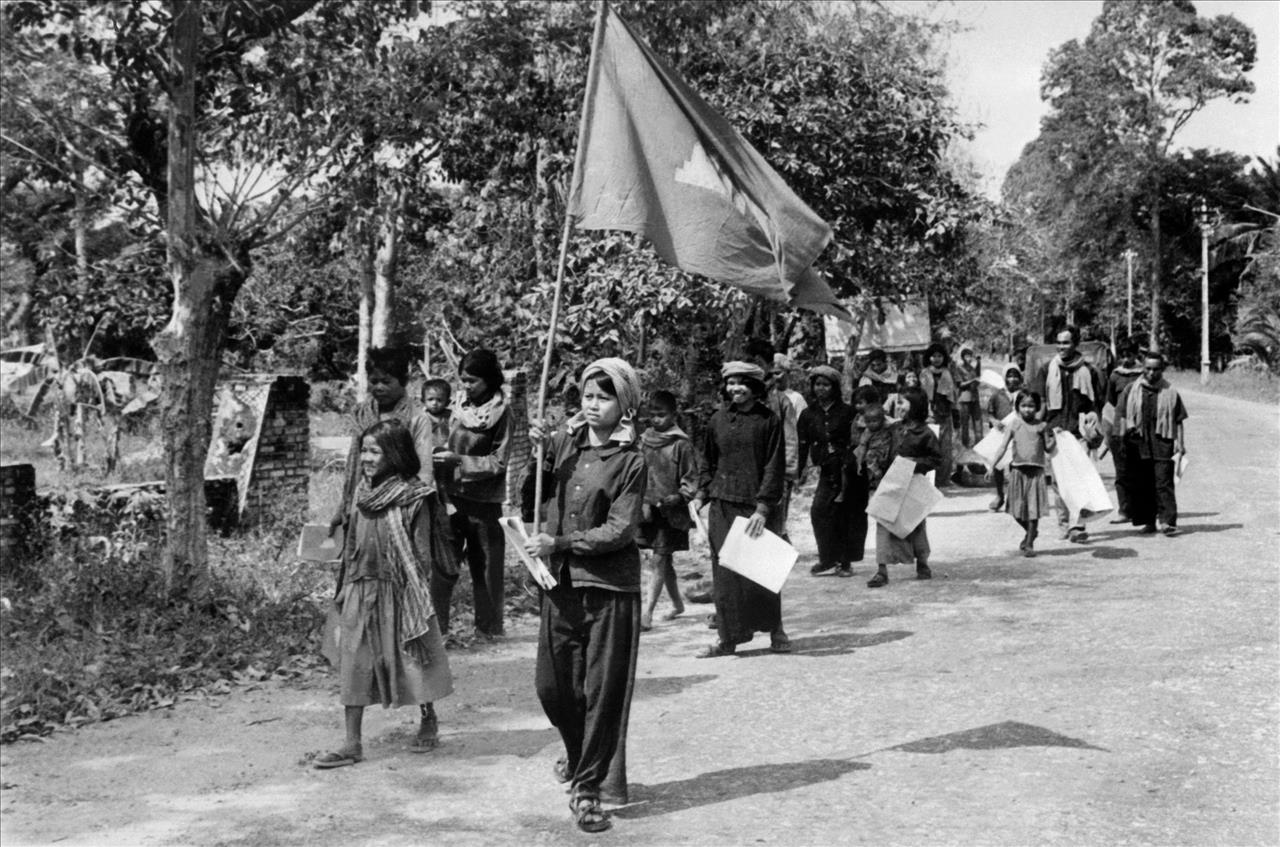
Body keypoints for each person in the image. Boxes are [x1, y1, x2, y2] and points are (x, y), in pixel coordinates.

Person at [523, 358, 647, 833]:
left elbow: (620, 529)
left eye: (604, 397)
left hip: (610, 587)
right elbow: (532, 495)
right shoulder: (563, 444)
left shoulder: (631, 460)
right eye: (587, 396)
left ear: (624, 405)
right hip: (559, 584)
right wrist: (535, 455)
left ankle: (588, 789)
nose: (593, 405)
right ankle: (579, 756)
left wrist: (560, 542)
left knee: (602, 691)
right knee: (552, 687)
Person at [315, 419, 453, 769]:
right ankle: (352, 742)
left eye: (375, 451)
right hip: (361, 587)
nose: (366, 458)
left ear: (395, 454)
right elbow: (352, 545)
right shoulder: (361, 493)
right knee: (354, 662)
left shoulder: (415, 497)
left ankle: (428, 717)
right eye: (364, 450)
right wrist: (344, 588)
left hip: (402, 590)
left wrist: (416, 597)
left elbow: (421, 553)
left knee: (414, 659)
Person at [692, 361, 790, 657]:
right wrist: (701, 494)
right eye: (731, 382)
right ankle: (728, 638)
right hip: (722, 504)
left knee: (762, 570)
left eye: (743, 383)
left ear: (755, 387)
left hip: (755, 506)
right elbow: (708, 461)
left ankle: (776, 629)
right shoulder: (717, 420)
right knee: (726, 576)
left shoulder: (769, 421)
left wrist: (763, 508)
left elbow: (774, 466)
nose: (736, 388)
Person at [432, 349, 512, 637]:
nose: (466, 386)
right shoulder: (458, 405)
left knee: (486, 568)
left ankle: (488, 630)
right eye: (463, 380)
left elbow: (499, 462)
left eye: (472, 381)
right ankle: (436, 631)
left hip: (485, 502)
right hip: (451, 498)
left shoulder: (503, 413)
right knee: (442, 564)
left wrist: (459, 461)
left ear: (489, 380)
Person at [862, 387, 942, 588]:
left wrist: (915, 463)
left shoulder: (926, 433)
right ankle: (881, 570)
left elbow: (936, 459)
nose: (897, 406)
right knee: (883, 522)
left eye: (901, 402)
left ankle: (922, 562)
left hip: (912, 484)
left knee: (915, 524)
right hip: (891, 481)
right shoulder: (894, 428)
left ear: (915, 405)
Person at [637, 390, 696, 630]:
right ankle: (677, 604)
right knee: (663, 559)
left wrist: (679, 496)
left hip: (670, 512)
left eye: (661, 415)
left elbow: (690, 479)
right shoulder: (643, 440)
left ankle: (647, 613)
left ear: (673, 415)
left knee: (659, 558)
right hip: (646, 509)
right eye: (652, 414)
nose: (656, 419)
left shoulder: (680, 444)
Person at [1116, 352, 1187, 536]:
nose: (1151, 373)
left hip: (1162, 442)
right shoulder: (1131, 389)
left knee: (1163, 483)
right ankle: (1148, 522)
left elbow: (1178, 419)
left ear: (1162, 369)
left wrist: (1180, 443)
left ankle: (1167, 522)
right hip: (1138, 443)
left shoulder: (1170, 392)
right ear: (1143, 368)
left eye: (1156, 369)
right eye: (1148, 368)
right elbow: (1122, 415)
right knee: (1143, 484)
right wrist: (1123, 439)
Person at [798, 365, 859, 577]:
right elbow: (803, 445)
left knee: (842, 514)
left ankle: (845, 562)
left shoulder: (848, 412)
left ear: (834, 387)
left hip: (846, 469)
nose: (821, 389)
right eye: (817, 384)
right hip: (825, 470)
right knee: (818, 511)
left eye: (826, 385)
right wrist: (800, 471)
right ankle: (827, 559)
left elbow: (857, 440)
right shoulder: (808, 414)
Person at [1044, 327, 1100, 543]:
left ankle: (1078, 525)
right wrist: (1045, 429)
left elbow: (1096, 401)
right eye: (1059, 342)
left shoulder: (1089, 371)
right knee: (1059, 482)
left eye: (1066, 342)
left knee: (1080, 479)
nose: (1061, 347)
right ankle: (1064, 523)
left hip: (1079, 432)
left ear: (1075, 344)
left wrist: (1092, 418)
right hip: (1056, 432)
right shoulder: (1047, 369)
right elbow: (1040, 402)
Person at [990, 390, 1055, 557]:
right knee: (1015, 510)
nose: (1027, 409)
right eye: (1023, 405)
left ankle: (1029, 543)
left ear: (1037, 407)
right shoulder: (1014, 424)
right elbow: (1003, 447)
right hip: (1018, 472)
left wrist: (1054, 437)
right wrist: (992, 465)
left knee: (1033, 510)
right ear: (1017, 407)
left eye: (1031, 406)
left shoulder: (1041, 426)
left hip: (1036, 473)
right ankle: (1031, 532)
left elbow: (1048, 448)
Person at [745, 338, 799, 539]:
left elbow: (790, 439)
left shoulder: (780, 400)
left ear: (767, 365)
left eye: (757, 362)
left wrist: (787, 474)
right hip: (748, 472)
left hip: (774, 473)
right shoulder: (739, 396)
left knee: (773, 527)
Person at [1104, 340, 1143, 522]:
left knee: (1141, 471)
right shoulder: (1115, 376)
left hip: (1139, 429)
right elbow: (1110, 403)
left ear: (1136, 355)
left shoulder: (1144, 374)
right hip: (1119, 430)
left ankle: (1142, 510)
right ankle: (1124, 510)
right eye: (1123, 355)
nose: (1126, 359)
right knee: (1122, 472)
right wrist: (1109, 432)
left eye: (1130, 355)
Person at [985, 364, 1024, 511]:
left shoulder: (1023, 395)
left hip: (1019, 433)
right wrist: (995, 421)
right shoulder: (997, 395)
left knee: (1016, 465)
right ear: (1004, 377)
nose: (1012, 379)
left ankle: (1014, 497)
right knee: (998, 465)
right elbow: (990, 413)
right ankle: (999, 495)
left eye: (1015, 376)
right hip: (1001, 434)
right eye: (1009, 376)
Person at [919, 342, 957, 486]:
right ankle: (929, 479)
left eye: (939, 356)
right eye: (933, 356)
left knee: (945, 447)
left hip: (945, 413)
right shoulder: (924, 373)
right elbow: (923, 395)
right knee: (930, 446)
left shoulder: (947, 373)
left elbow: (952, 395)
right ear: (929, 357)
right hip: (929, 413)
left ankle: (943, 478)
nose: (936, 359)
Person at [955, 345, 982, 447]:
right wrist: (972, 381)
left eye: (970, 356)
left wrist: (979, 363)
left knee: (977, 421)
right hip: (964, 399)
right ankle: (965, 444)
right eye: (967, 356)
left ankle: (979, 443)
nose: (969, 358)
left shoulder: (972, 368)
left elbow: (978, 377)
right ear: (963, 357)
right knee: (965, 423)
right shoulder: (959, 369)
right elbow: (960, 384)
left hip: (974, 398)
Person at [421, 377, 454, 448]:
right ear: (423, 400)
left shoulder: (450, 416)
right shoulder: (422, 417)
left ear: (447, 402)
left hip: (448, 448)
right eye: (430, 399)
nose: (434, 403)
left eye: (439, 400)